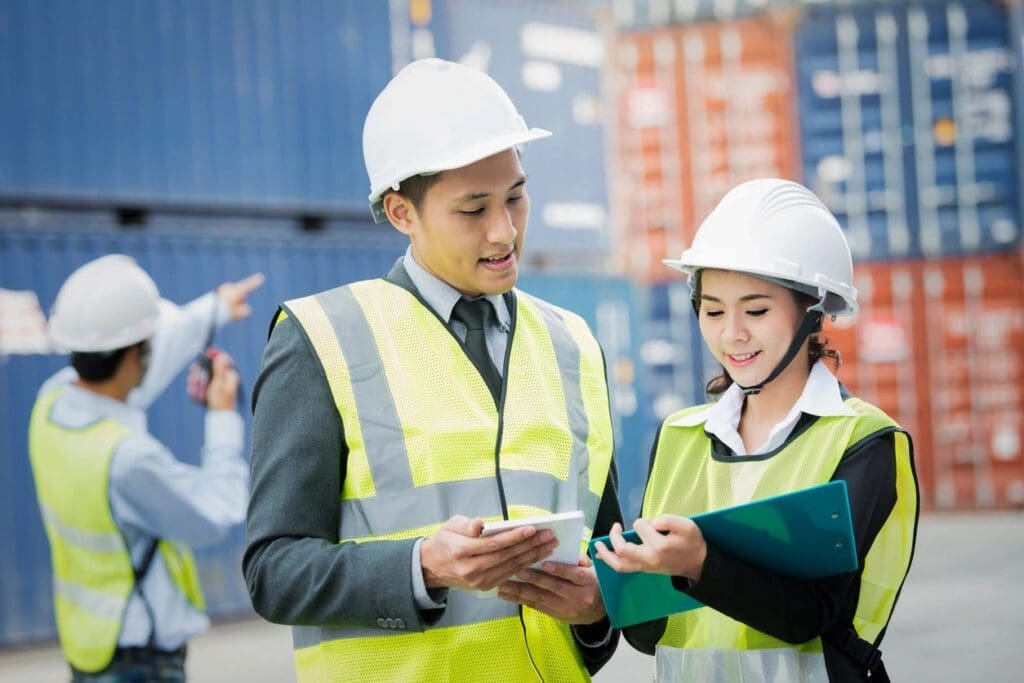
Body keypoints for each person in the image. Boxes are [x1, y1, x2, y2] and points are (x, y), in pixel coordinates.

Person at [244, 57, 622, 682]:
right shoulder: (321, 340)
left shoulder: (574, 345)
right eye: (473, 210)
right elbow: (273, 572)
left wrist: (597, 609)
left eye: (517, 197)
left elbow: (607, 562)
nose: (505, 231)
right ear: (401, 213)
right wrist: (424, 569)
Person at [594, 179, 919, 682]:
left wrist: (698, 561)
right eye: (713, 309)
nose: (732, 333)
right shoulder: (680, 436)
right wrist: (611, 588)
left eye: (757, 310)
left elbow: (808, 616)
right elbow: (648, 634)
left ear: (813, 313)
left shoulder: (861, 441)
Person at [29, 254, 264, 682]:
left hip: (87, 647)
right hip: (140, 664)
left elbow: (132, 368)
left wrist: (212, 308)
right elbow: (217, 512)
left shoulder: (51, 404)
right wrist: (223, 416)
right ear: (137, 352)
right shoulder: (128, 460)